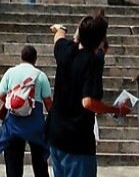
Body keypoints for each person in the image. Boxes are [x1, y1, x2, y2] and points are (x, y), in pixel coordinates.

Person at [46, 13, 132, 177]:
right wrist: (117, 109)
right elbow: (88, 102)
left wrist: (62, 29)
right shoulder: (92, 62)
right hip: (77, 140)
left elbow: (58, 36)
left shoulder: (66, 51)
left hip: (56, 134)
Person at [0, 44, 52, 177]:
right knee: (39, 163)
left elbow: (2, 95)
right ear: (35, 59)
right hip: (35, 123)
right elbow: (48, 102)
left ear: (21, 57)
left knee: (13, 163)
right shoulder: (40, 76)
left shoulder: (10, 72)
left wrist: (17, 103)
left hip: (14, 123)